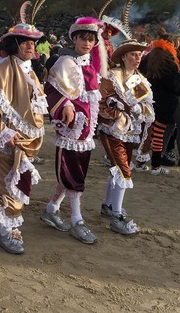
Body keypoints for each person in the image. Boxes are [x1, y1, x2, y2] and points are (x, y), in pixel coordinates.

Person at [40, 17, 104, 245]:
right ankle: (77, 219)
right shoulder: (65, 62)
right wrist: (66, 105)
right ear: (74, 39)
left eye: (91, 39)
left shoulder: (90, 65)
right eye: (83, 38)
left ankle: (51, 208)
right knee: (73, 171)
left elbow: (93, 95)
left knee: (74, 170)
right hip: (71, 128)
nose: (87, 43)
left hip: (86, 129)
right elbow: (52, 89)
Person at [0, 23, 47, 254]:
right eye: (25, 42)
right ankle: (7, 231)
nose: (30, 46)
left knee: (13, 182)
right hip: (8, 138)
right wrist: (4, 132)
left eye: (33, 42)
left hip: (28, 139)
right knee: (8, 184)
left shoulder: (30, 71)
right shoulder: (1, 69)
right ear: (14, 45)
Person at [97, 39, 153, 234]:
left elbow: (145, 105)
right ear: (123, 57)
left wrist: (138, 109)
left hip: (129, 132)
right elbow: (100, 103)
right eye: (133, 55)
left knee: (118, 168)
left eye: (139, 55)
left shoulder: (137, 79)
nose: (138, 58)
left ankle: (108, 205)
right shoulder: (113, 76)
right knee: (123, 171)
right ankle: (117, 216)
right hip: (111, 129)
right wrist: (118, 111)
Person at [145, 34, 180, 175]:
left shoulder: (147, 62)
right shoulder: (169, 66)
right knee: (159, 135)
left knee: (148, 134)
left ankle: (142, 163)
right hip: (165, 104)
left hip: (150, 102)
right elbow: (174, 87)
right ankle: (156, 166)